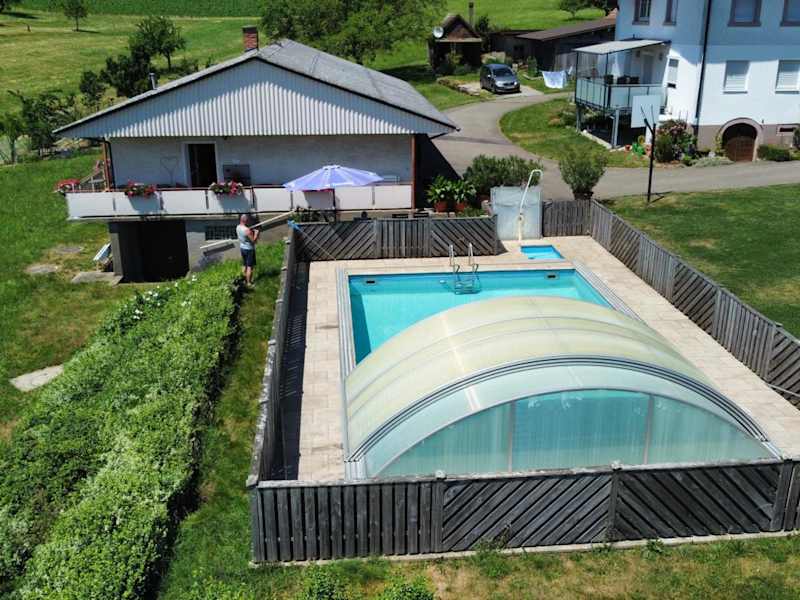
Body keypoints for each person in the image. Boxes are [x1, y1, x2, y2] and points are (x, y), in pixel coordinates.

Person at [236, 214, 259, 286]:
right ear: (246, 221)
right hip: (249, 249)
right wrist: (256, 233)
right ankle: (248, 283)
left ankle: (243, 280)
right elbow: (253, 241)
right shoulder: (247, 230)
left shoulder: (238, 227)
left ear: (241, 220)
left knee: (244, 264)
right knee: (249, 266)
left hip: (242, 248)